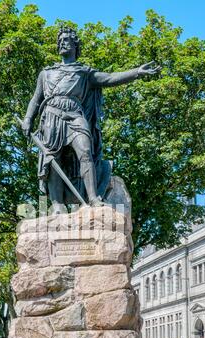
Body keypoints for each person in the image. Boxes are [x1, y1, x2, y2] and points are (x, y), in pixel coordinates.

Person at [22, 27, 161, 213]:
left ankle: (94, 199)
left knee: (86, 151)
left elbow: (110, 78)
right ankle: (57, 205)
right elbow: (35, 99)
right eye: (60, 40)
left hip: (74, 115)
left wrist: (137, 72)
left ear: (75, 45)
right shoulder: (46, 73)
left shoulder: (84, 72)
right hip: (51, 117)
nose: (62, 43)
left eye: (67, 40)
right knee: (52, 158)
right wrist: (28, 118)